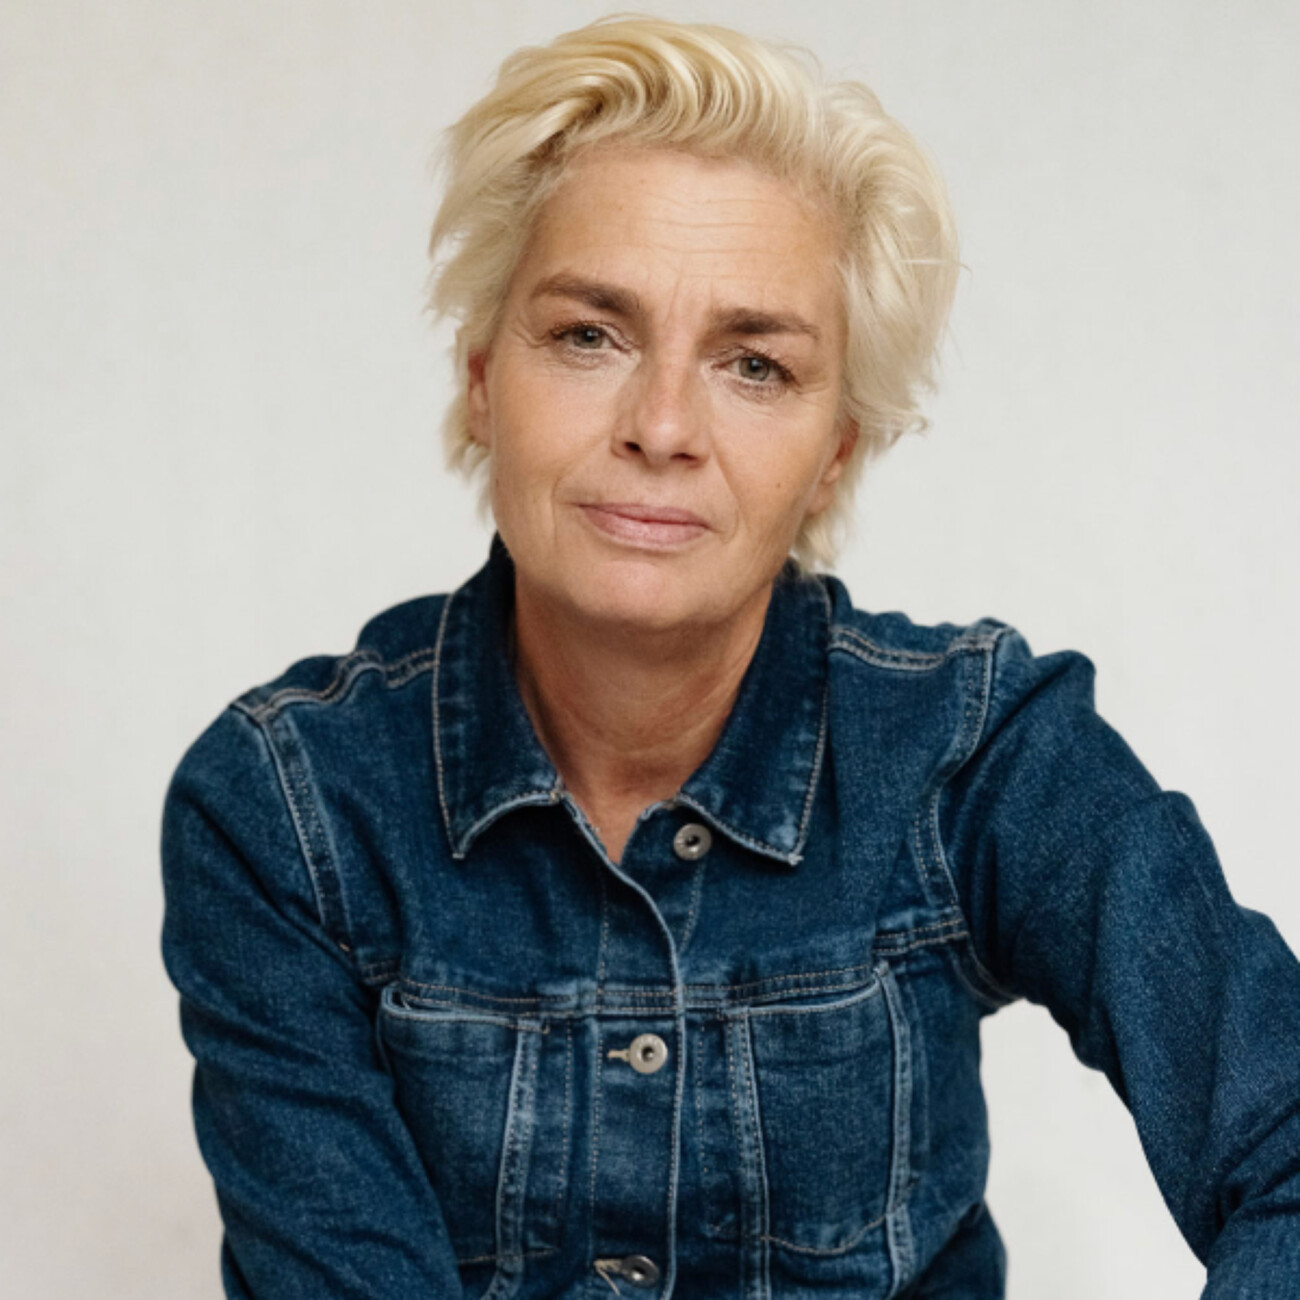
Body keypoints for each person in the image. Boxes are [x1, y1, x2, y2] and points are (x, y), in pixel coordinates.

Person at [160, 15, 1300, 1299]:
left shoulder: (980, 756)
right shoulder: (286, 808)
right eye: (588, 335)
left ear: (833, 455)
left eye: (754, 364)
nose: (660, 426)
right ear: (482, 380)